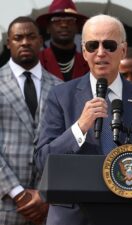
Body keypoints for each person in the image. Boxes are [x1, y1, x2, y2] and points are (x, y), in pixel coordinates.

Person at [34, 14, 132, 225]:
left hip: (128, 213)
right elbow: (43, 160)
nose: (100, 52)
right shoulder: (61, 96)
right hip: (72, 215)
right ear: (84, 51)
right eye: (93, 45)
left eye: (109, 45)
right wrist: (80, 127)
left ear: (123, 50)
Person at [0, 16, 61, 225]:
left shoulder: (60, 88)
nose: (25, 42)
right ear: (9, 43)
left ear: (40, 41)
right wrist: (17, 193)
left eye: (30, 36)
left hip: (48, 209)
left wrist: (45, 195)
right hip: (5, 205)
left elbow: (66, 147)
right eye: (18, 38)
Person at [37, 0, 89, 81]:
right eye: (57, 20)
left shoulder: (87, 62)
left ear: (77, 27)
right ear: (48, 28)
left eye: (70, 20)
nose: (64, 25)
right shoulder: (37, 61)